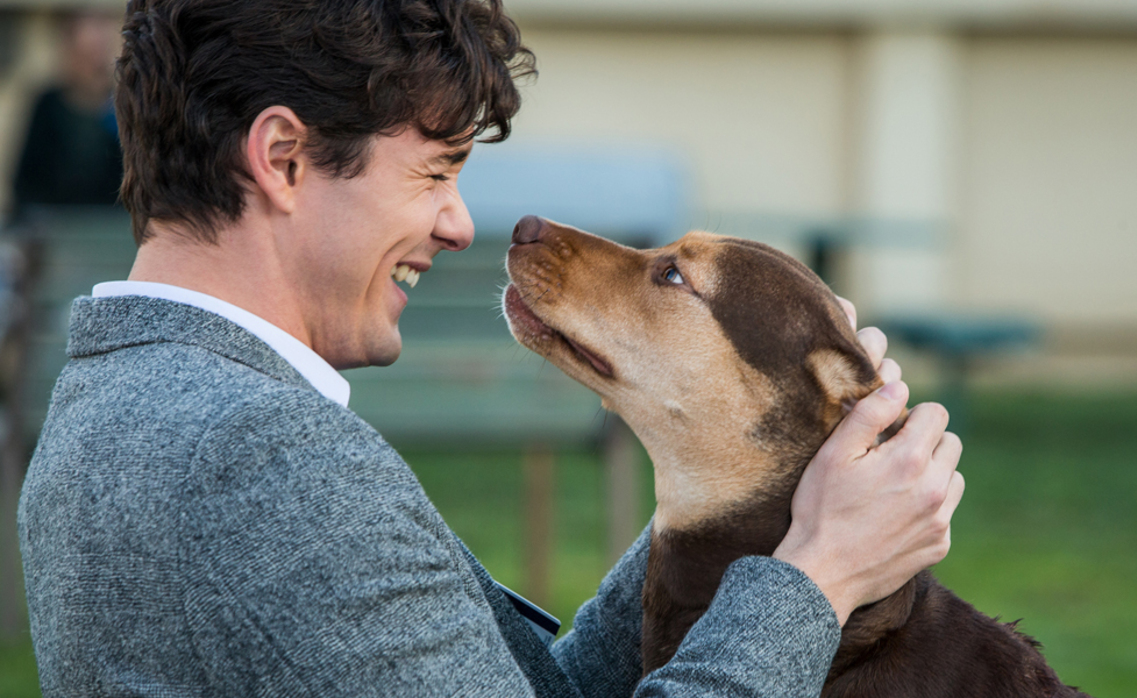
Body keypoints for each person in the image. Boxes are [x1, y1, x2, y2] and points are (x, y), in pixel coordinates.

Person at [17, 0, 965, 695]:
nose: (459, 223)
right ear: (283, 159)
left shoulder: (115, 400)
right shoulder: (263, 461)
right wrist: (819, 579)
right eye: (434, 171)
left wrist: (746, 471)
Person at [9, 10, 123, 218]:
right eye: (86, 56)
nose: (94, 66)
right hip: (56, 228)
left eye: (100, 55)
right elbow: (27, 181)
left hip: (108, 229)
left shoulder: (120, 108)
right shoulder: (48, 105)